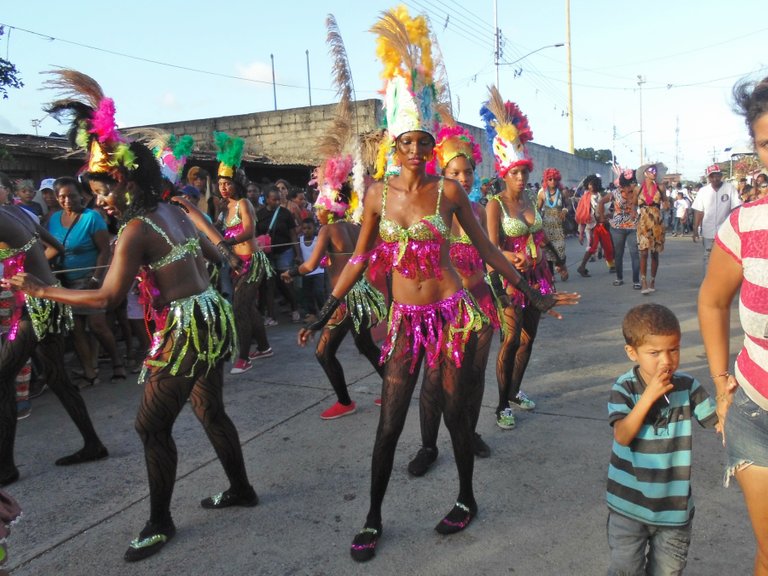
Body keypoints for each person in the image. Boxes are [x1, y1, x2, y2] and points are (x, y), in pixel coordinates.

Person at [300, 11, 577, 561]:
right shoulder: (377, 196)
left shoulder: (449, 195)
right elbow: (358, 259)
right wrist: (325, 309)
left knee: (456, 411)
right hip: (405, 321)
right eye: (409, 143)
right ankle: (374, 516)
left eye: (425, 143)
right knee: (389, 420)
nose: (419, 152)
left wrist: (533, 290)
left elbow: (491, 251)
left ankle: (466, 497)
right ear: (394, 144)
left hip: (450, 314)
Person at [9, 69, 257, 561]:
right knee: (210, 411)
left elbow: (105, 298)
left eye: (102, 187)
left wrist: (42, 288)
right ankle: (240, 489)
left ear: (122, 180)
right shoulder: (169, 210)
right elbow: (207, 254)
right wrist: (223, 260)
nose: (98, 198)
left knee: (150, 426)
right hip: (209, 312)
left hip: (190, 325)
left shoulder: (137, 228)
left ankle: (160, 521)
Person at [698, 75, 768, 576]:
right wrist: (723, 384)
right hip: (755, 416)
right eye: (767, 142)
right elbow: (711, 300)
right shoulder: (744, 224)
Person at [408, 124, 497, 476]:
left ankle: (469, 433)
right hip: (443, 311)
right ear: (441, 173)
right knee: (433, 381)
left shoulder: (477, 210)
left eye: (469, 171)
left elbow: (490, 251)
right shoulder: (431, 209)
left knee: (474, 377)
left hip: (481, 304)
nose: (464, 178)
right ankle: (428, 447)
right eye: (455, 172)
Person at [0, 202, 108, 487]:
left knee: (2, 377)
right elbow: (56, 247)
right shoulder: (16, 212)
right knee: (57, 378)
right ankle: (93, 444)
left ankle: (5, 467)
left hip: (36, 307)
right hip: (51, 300)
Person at [483, 91, 571, 431]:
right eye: (515, 172)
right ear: (505, 173)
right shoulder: (496, 205)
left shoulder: (532, 203)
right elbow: (491, 247)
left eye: (524, 172)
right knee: (510, 339)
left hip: (538, 276)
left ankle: (516, 391)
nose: (521, 178)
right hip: (510, 281)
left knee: (529, 339)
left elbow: (542, 234)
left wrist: (558, 260)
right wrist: (510, 255)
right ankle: (502, 404)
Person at [607, 303, 716, 575]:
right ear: (632, 352)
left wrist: (729, 403)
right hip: (628, 505)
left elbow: (718, 421)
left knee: (668, 571)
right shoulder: (625, 388)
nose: (666, 361)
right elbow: (622, 435)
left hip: (673, 509)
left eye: (674, 350)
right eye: (654, 353)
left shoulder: (687, 386)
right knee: (625, 569)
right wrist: (648, 396)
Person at [47, 176, 125, 385]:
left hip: (89, 278)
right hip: (65, 281)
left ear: (81, 195)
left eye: (72, 195)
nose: (67, 200)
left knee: (97, 324)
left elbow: (104, 250)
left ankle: (117, 363)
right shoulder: (53, 219)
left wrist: (96, 277)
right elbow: (50, 248)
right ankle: (89, 371)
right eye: (62, 197)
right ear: (56, 197)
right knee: (76, 328)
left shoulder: (92, 218)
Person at [213, 132, 273, 374]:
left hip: (252, 263)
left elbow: (249, 231)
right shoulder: (224, 206)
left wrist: (228, 241)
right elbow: (216, 231)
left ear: (236, 183)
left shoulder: (244, 204)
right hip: (235, 263)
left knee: (239, 309)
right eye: (220, 183)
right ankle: (265, 347)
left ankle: (244, 357)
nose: (223, 188)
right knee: (247, 308)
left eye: (227, 183)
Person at [255, 186, 301, 325]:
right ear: (267, 200)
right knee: (268, 284)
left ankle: (294, 309)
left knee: (286, 281)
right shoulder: (259, 214)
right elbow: (256, 235)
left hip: (284, 251)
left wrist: (297, 254)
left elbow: (293, 235)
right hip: (266, 253)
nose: (276, 202)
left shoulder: (285, 213)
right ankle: (271, 316)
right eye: (273, 199)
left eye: (278, 199)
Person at [691, 164, 741, 270]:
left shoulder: (729, 188)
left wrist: (736, 228)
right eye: (712, 176)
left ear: (721, 175)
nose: (715, 179)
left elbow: (736, 209)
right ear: (708, 178)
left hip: (726, 230)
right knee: (707, 257)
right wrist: (695, 229)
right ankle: (708, 282)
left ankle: (723, 283)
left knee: (725, 257)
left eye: (717, 175)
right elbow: (699, 211)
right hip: (708, 230)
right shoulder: (703, 191)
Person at [600, 169, 640, 288]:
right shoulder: (615, 193)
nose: (631, 186)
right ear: (623, 184)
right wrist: (602, 217)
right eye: (629, 184)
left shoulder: (637, 193)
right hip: (617, 227)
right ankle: (619, 277)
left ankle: (636, 281)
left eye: (633, 183)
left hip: (633, 226)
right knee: (618, 253)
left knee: (634, 254)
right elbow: (601, 202)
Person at [635, 164, 667, 294]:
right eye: (651, 170)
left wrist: (666, 203)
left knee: (654, 254)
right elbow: (633, 205)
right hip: (643, 223)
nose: (654, 172)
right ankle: (643, 281)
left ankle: (652, 280)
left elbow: (666, 203)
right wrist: (633, 215)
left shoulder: (660, 187)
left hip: (657, 224)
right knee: (643, 253)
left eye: (655, 171)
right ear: (645, 173)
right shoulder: (638, 189)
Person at [576, 175, 615, 278]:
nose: (591, 186)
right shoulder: (585, 198)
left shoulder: (602, 195)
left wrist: (608, 215)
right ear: (587, 185)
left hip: (603, 224)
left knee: (608, 246)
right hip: (592, 226)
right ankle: (582, 266)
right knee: (592, 247)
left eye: (593, 184)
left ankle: (612, 266)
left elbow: (608, 210)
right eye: (589, 184)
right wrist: (580, 233)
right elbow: (582, 215)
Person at [537, 167, 569, 278]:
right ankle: (551, 275)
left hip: (558, 226)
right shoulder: (541, 193)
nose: (552, 182)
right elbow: (537, 209)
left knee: (560, 250)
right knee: (547, 251)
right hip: (546, 225)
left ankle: (562, 267)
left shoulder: (562, 192)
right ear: (546, 180)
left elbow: (568, 205)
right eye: (550, 179)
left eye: (555, 179)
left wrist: (564, 211)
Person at [294, 217, 326, 322]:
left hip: (318, 270)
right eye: (304, 228)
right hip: (306, 271)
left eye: (309, 228)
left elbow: (323, 253)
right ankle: (312, 314)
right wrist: (298, 259)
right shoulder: (300, 240)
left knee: (319, 292)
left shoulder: (318, 239)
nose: (306, 230)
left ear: (314, 228)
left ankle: (324, 312)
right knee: (307, 294)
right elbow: (299, 255)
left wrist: (323, 262)